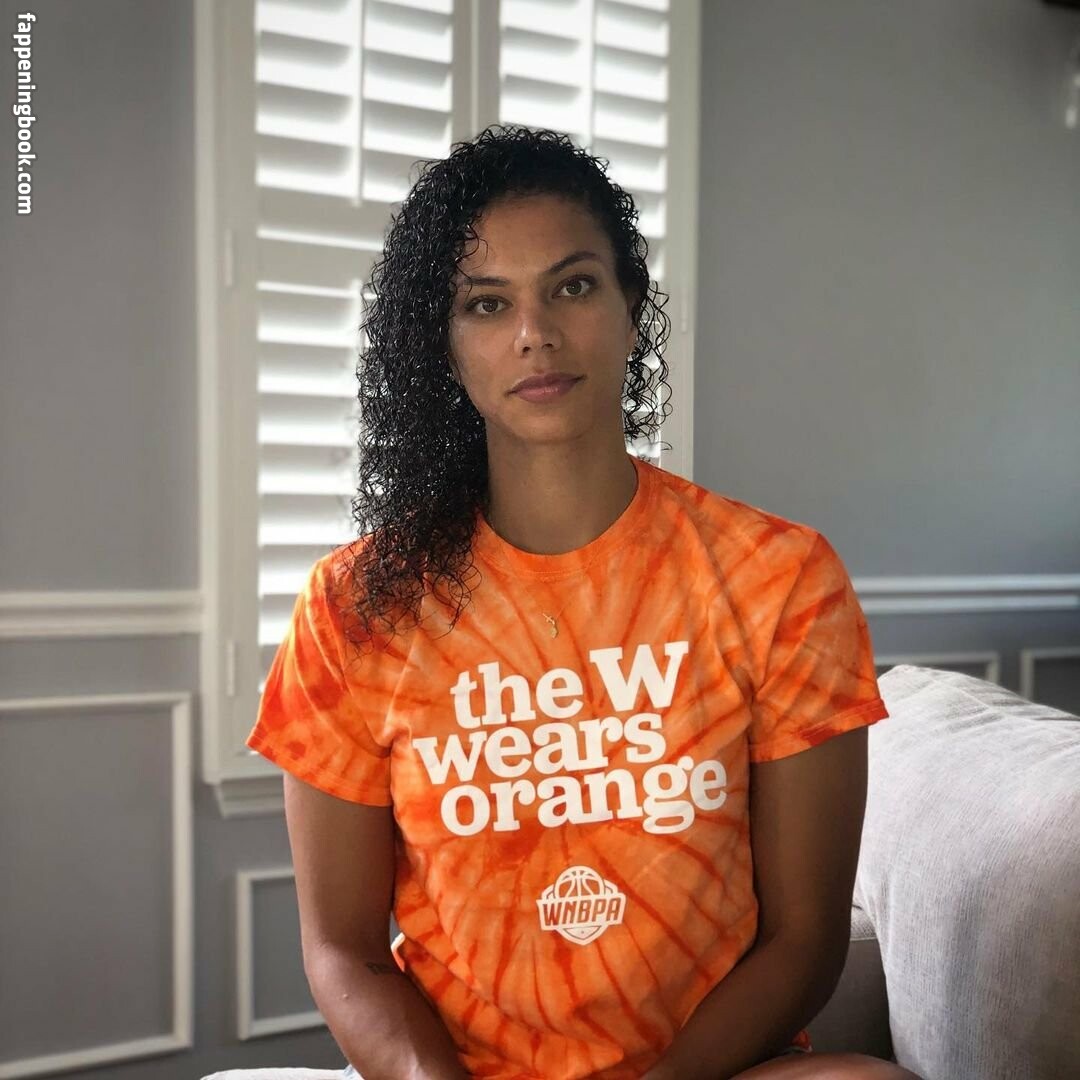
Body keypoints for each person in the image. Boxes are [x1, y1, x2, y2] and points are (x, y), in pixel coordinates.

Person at [247, 125, 922, 1080]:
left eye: (572, 286)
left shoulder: (780, 577)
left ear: (631, 307)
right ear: (445, 346)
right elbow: (342, 950)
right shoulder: (353, 608)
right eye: (487, 304)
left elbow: (805, 939)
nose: (536, 333)